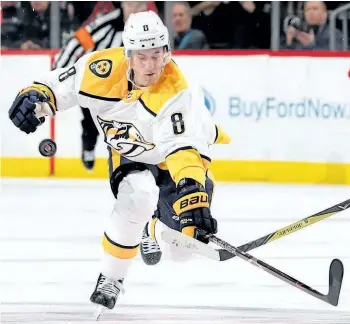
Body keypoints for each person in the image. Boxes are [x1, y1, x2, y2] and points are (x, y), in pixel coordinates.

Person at [8, 11, 230, 312]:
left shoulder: (177, 92)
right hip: (130, 151)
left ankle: (153, 228)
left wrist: (192, 190)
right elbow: (56, 87)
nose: (151, 65)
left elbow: (182, 150)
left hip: (173, 156)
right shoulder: (100, 69)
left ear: (167, 52)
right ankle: (111, 277)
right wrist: (35, 97)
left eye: (157, 55)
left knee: (183, 247)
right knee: (136, 197)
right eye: (142, 57)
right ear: (128, 55)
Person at [53, 1, 150, 171]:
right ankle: (89, 143)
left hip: (130, 87)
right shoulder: (106, 23)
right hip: (99, 81)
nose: (135, 10)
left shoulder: (150, 29)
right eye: (131, 4)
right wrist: (57, 73)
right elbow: (77, 41)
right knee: (93, 119)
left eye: (140, 5)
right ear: (122, 5)